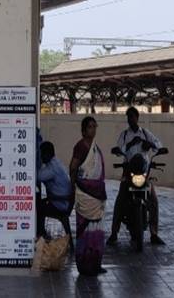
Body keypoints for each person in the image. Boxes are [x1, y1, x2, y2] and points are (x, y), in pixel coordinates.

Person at [109, 106, 165, 246]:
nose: (131, 120)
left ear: (137, 118)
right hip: (128, 172)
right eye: (128, 118)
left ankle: (154, 234)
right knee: (120, 198)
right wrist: (129, 145)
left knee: (153, 200)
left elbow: (158, 145)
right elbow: (118, 150)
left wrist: (150, 144)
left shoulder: (145, 133)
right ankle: (114, 233)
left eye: (133, 117)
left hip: (144, 172)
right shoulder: (124, 135)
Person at [69, 116, 107, 275]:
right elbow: (73, 167)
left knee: (96, 231)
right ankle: (85, 266)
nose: (93, 129)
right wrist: (72, 186)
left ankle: (95, 264)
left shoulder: (94, 147)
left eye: (94, 126)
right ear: (84, 130)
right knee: (85, 232)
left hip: (96, 196)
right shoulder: (81, 146)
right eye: (90, 127)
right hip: (85, 195)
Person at [36, 141, 72, 240]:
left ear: (47, 154)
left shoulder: (52, 168)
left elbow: (38, 177)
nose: (41, 157)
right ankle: (41, 232)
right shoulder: (56, 162)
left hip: (59, 204)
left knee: (37, 208)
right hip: (63, 201)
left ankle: (41, 234)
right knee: (40, 203)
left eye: (42, 154)